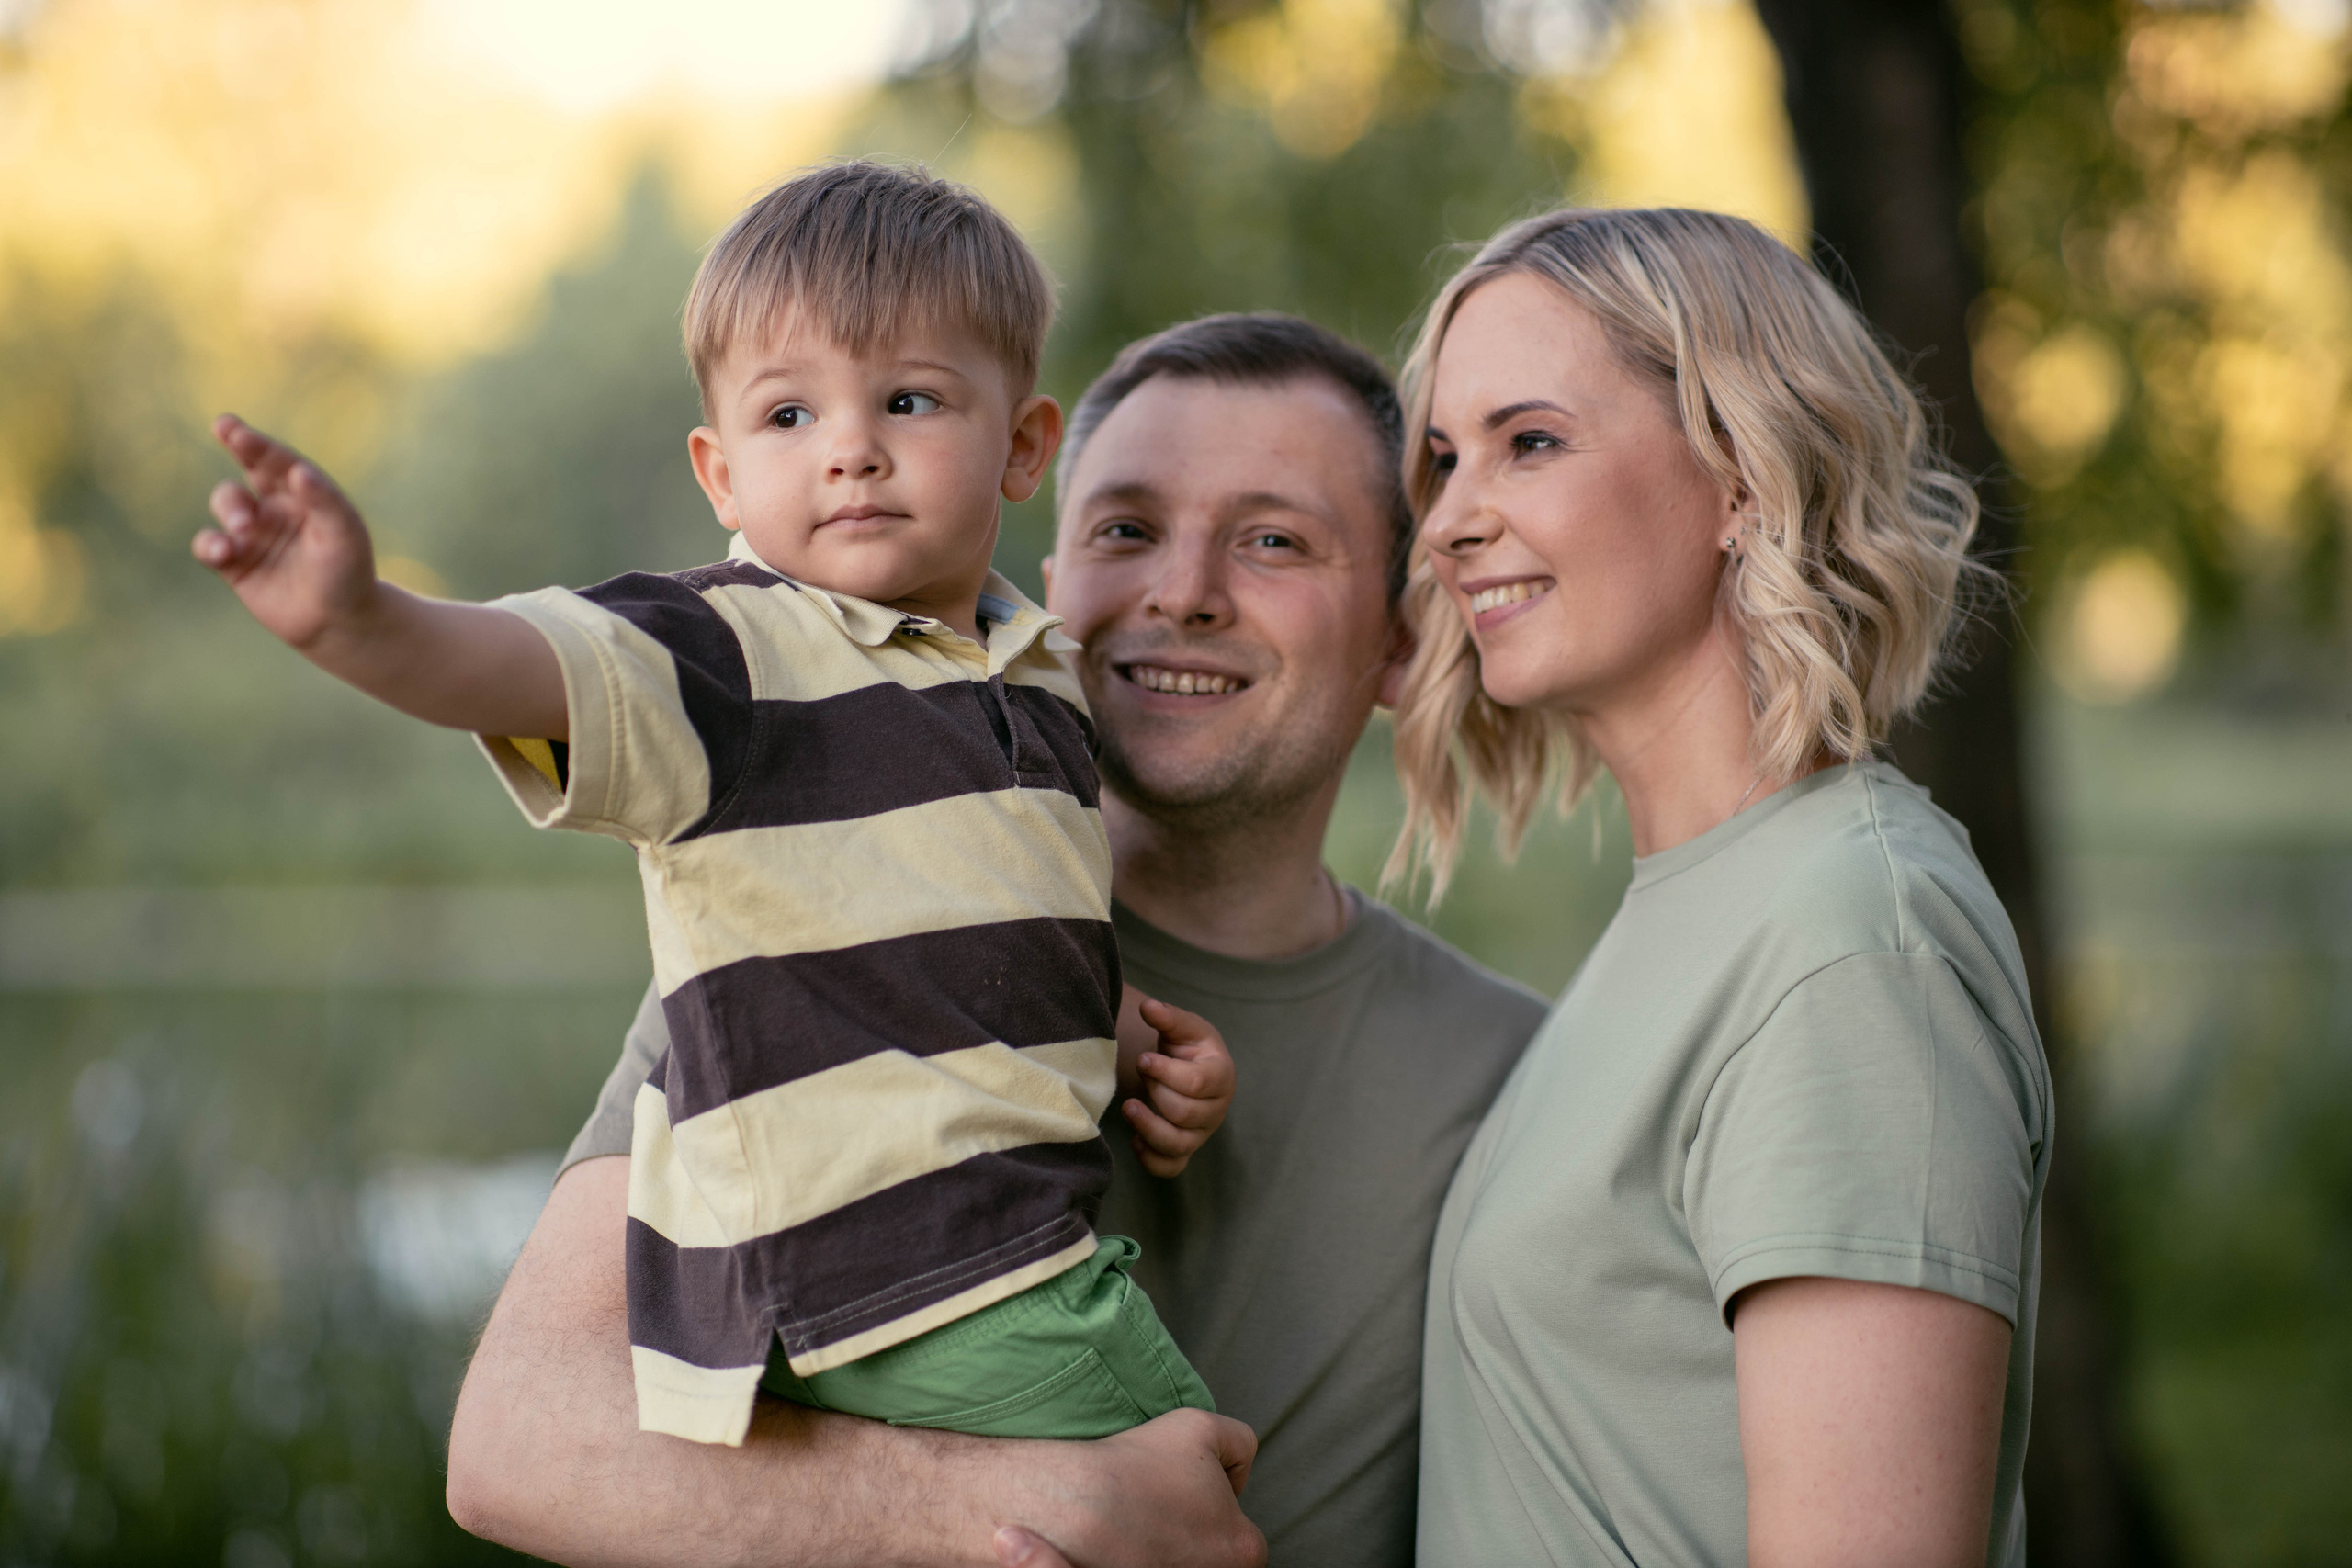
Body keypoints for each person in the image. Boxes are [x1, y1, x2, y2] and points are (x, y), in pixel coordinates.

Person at [444, 313, 1548, 1567]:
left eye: (1273, 541)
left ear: (1402, 638)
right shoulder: (819, 923)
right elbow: (520, 1442)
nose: (1179, 592)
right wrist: (998, 1509)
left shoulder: (1513, 1074)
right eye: (1124, 530)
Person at [193, 161, 1237, 1453]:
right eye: (789, 416)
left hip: (972, 1253)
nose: (850, 447)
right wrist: (363, 620)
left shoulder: (1041, 680)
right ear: (722, 474)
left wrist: (1129, 1036)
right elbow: (526, 666)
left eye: (907, 400)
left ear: (1022, 445)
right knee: (1192, 1476)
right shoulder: (731, 654)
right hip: (901, 1264)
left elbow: (986, 928)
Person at [1389, 206, 2051, 1567]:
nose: (1452, 520)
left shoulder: (1855, 940)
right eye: (1445, 460)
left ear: (1742, 476)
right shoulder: (1701, 902)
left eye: (1532, 442)